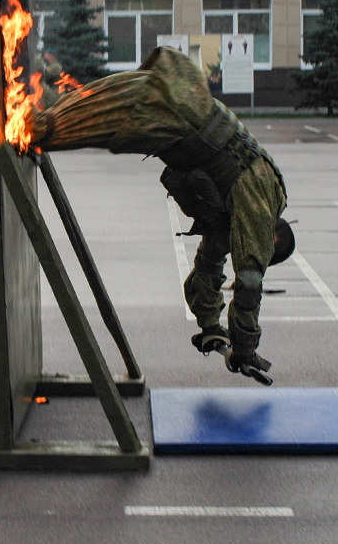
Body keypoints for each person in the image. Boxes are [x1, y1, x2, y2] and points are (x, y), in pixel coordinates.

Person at [29, 47, 292, 383]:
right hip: (173, 111)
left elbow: (209, 266)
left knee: (59, 115)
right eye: (266, 252)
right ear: (272, 237)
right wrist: (244, 347)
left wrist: (212, 327)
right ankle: (11, 88)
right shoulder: (260, 200)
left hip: (171, 115)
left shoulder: (237, 212)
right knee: (44, 126)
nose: (254, 252)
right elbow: (250, 281)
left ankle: (19, 89)